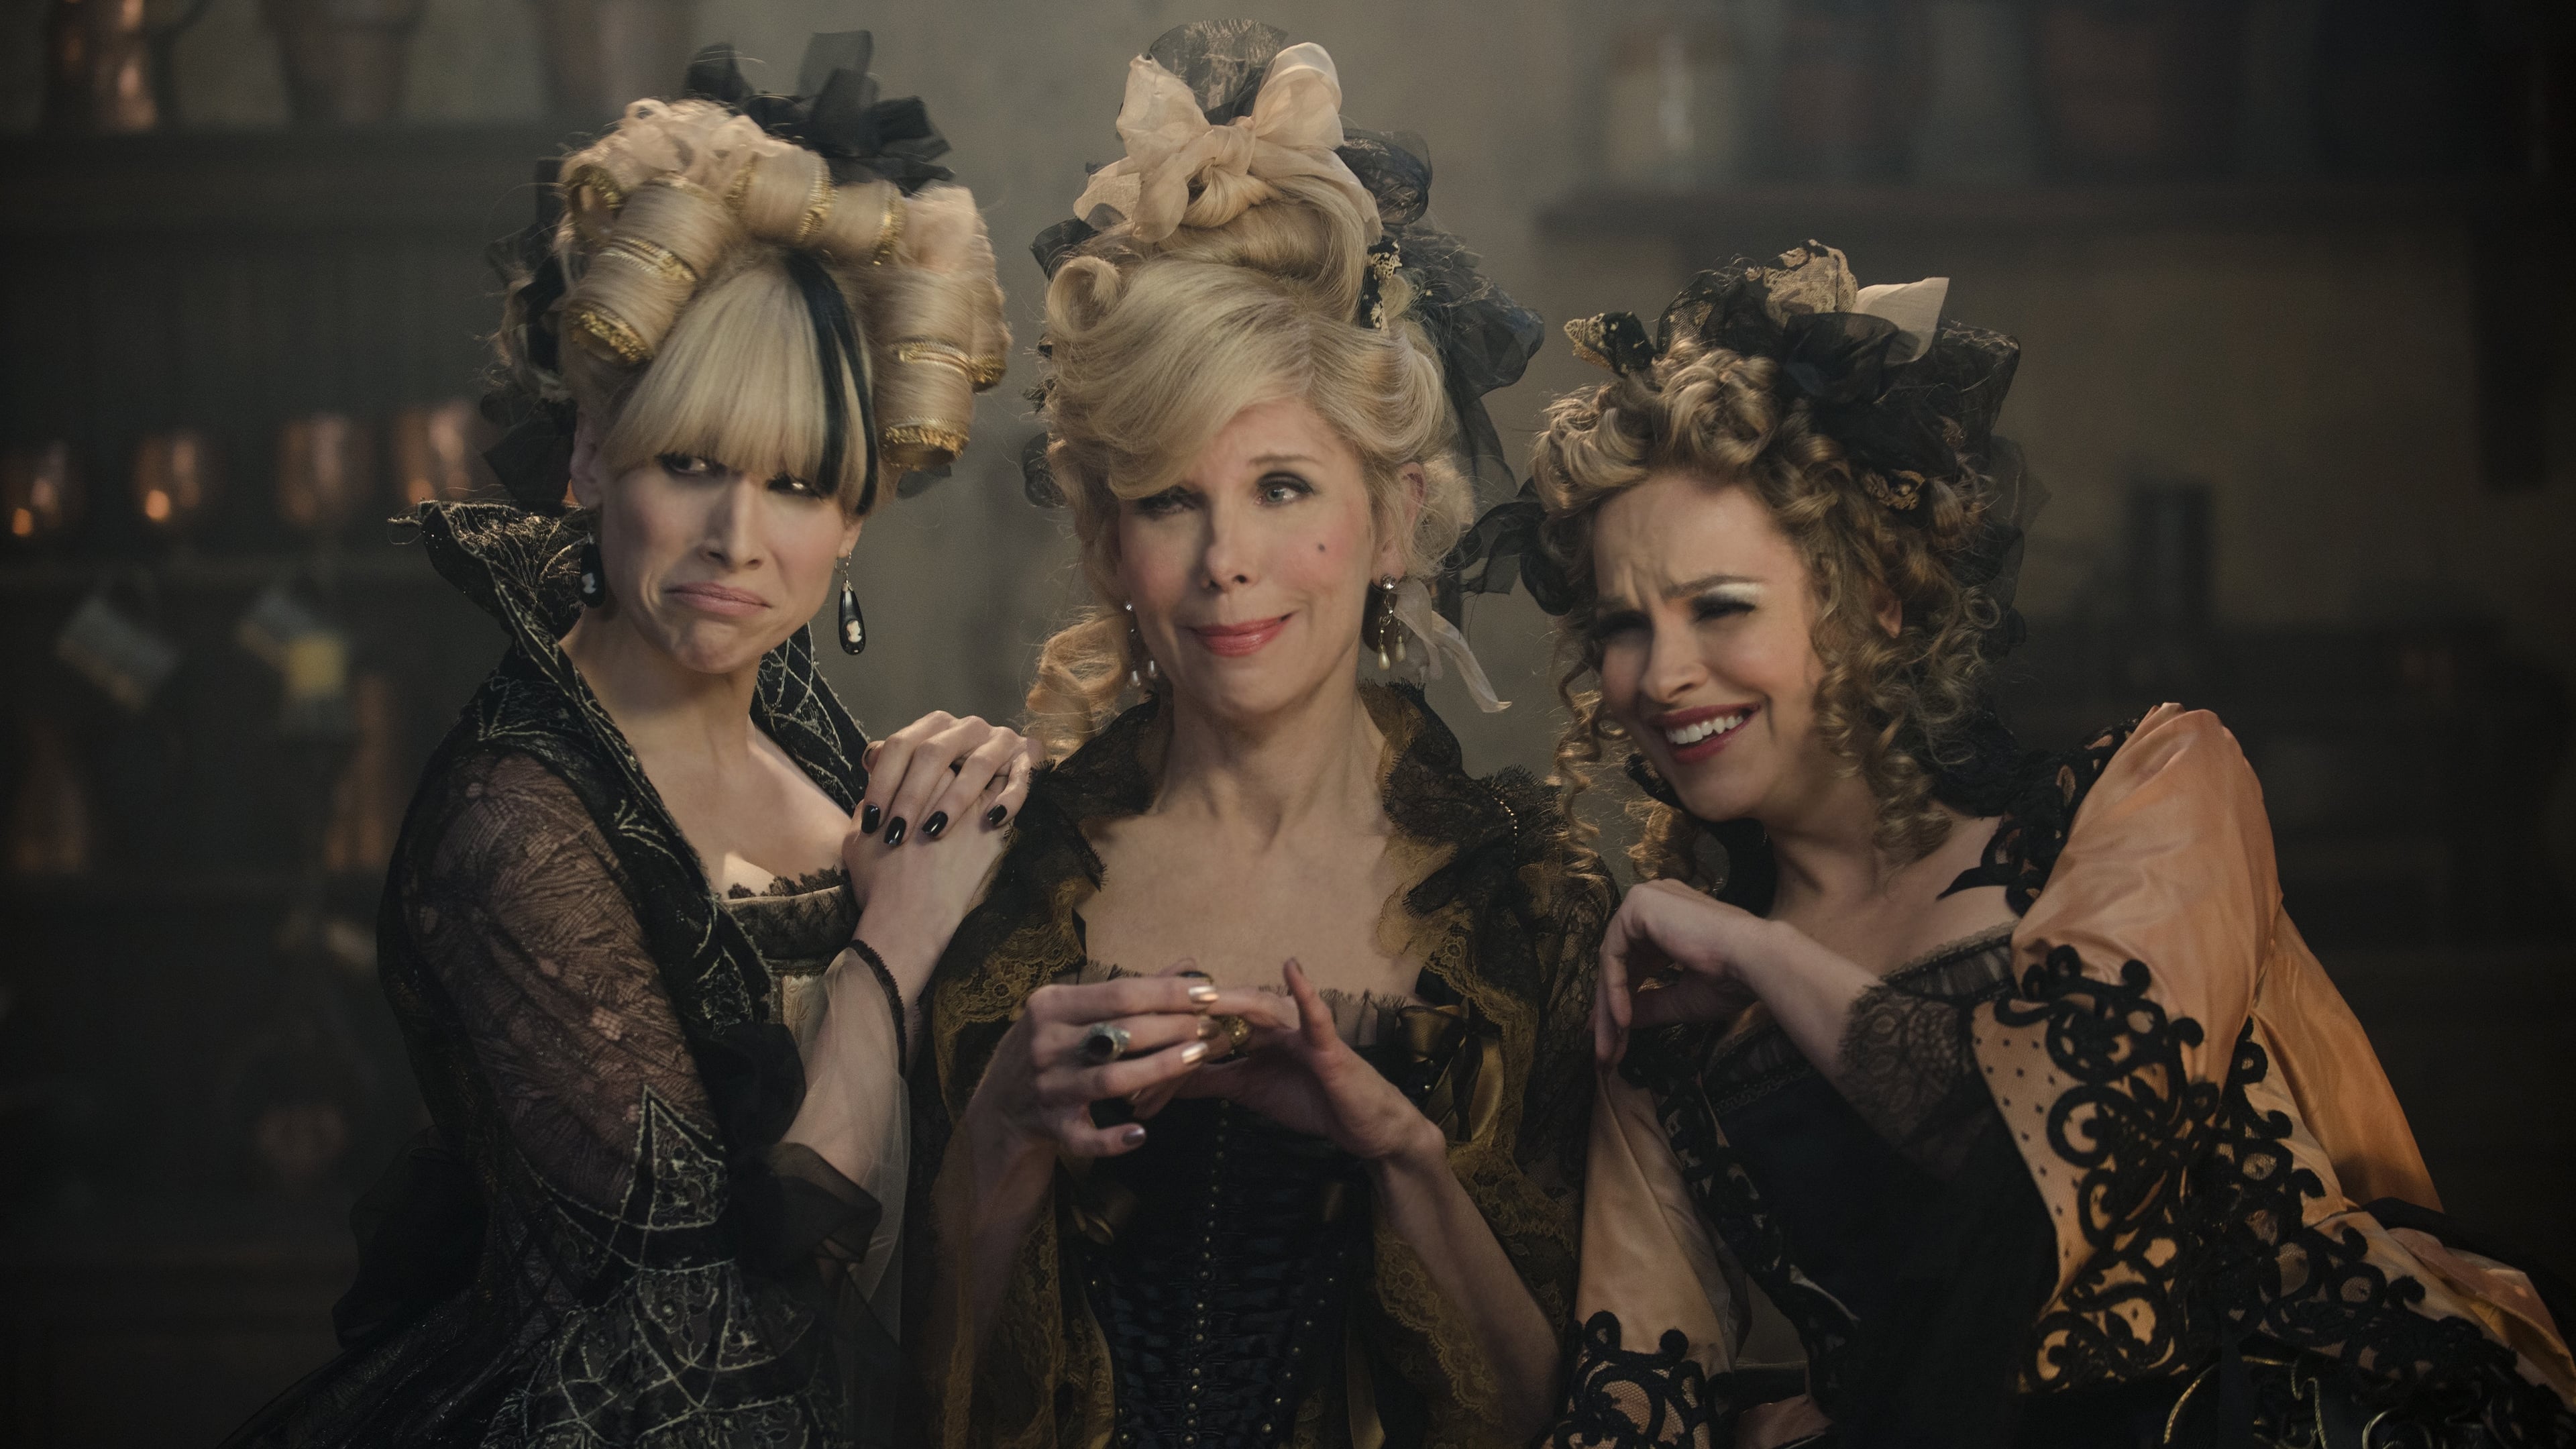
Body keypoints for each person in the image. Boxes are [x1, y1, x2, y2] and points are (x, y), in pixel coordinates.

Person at [1523, 246, 2576, 1447]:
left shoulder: (2152, 799)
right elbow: (1632, 1396)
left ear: (1877, 600)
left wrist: (1763, 956)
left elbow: (2069, 1141)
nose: (1661, 675)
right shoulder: (1667, 1013)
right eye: (1623, 626)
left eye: (1720, 607)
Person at [221, 36, 1023, 1448]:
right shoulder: (511, 821)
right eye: (689, 461)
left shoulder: (827, 758)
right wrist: (894, 942)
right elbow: (701, 1323)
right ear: (592, 456)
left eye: (796, 483)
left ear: (856, 517)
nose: (735, 539)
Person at [902, 22, 1609, 1449]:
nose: (1226, 561)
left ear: (1396, 521)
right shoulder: (1000, 888)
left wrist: (1404, 1156)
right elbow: (910, 1408)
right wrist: (999, 1136)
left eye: (1283, 486)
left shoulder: (1526, 911)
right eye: (1171, 499)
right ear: (1110, 544)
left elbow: (1569, 1417)